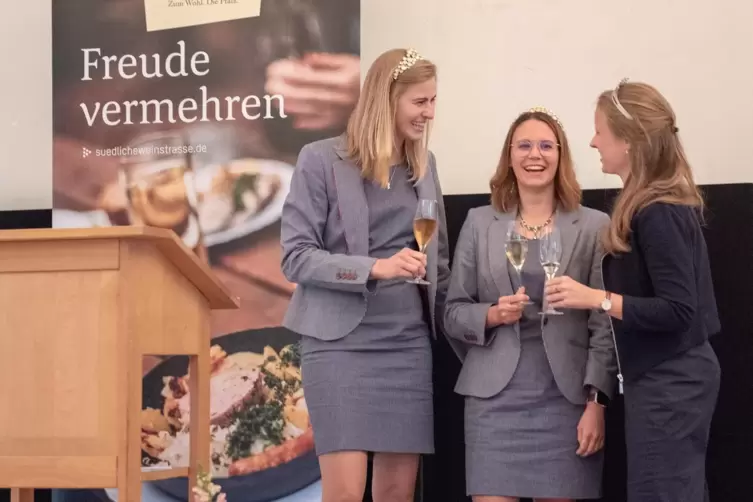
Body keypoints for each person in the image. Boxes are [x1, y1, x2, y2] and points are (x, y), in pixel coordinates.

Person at [280, 48, 450, 502]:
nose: (429, 113)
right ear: (387, 98)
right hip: (339, 347)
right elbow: (295, 257)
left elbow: (441, 263)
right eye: (420, 102)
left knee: (397, 493)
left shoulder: (425, 165)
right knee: (345, 493)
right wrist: (375, 267)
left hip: (407, 345)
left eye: (433, 101)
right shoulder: (319, 159)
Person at [545, 79, 721, 502]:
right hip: (666, 380)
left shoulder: (657, 211)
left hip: (672, 382)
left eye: (600, 132)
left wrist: (596, 298)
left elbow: (679, 310)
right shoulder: (648, 203)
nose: (592, 142)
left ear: (628, 141)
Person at [443, 107, 617, 502]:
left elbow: (603, 325)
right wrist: (492, 314)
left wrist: (597, 402)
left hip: (568, 402)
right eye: (523, 145)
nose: (534, 155)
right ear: (509, 156)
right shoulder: (478, 222)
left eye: (545, 145)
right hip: (494, 404)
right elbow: (452, 311)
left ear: (560, 155)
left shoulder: (594, 226)